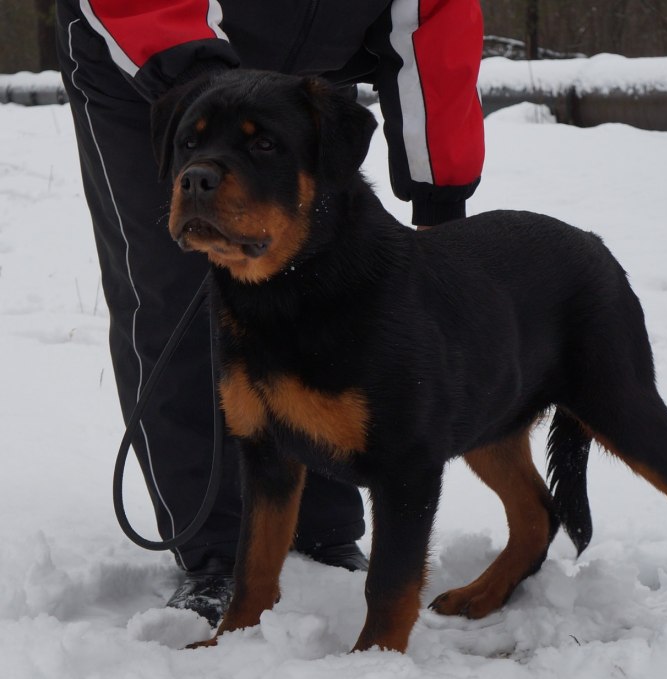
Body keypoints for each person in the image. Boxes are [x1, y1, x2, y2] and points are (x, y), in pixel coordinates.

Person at [55, 0, 485, 626]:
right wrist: (202, 79)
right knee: (178, 294)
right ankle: (219, 551)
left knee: (334, 288)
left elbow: (433, 13)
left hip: (310, 76)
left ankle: (324, 533)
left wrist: (439, 186)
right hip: (149, 58)